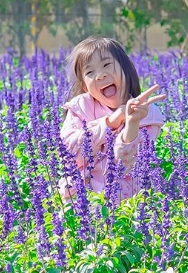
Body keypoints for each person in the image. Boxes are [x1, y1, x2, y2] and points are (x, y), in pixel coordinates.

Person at [59, 36, 166, 203]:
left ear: (126, 69)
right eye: (90, 72)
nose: (100, 75)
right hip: (79, 203)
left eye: (106, 65)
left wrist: (131, 125)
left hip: (125, 207)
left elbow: (125, 166)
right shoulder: (80, 108)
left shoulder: (147, 116)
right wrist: (109, 123)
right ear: (84, 86)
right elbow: (70, 154)